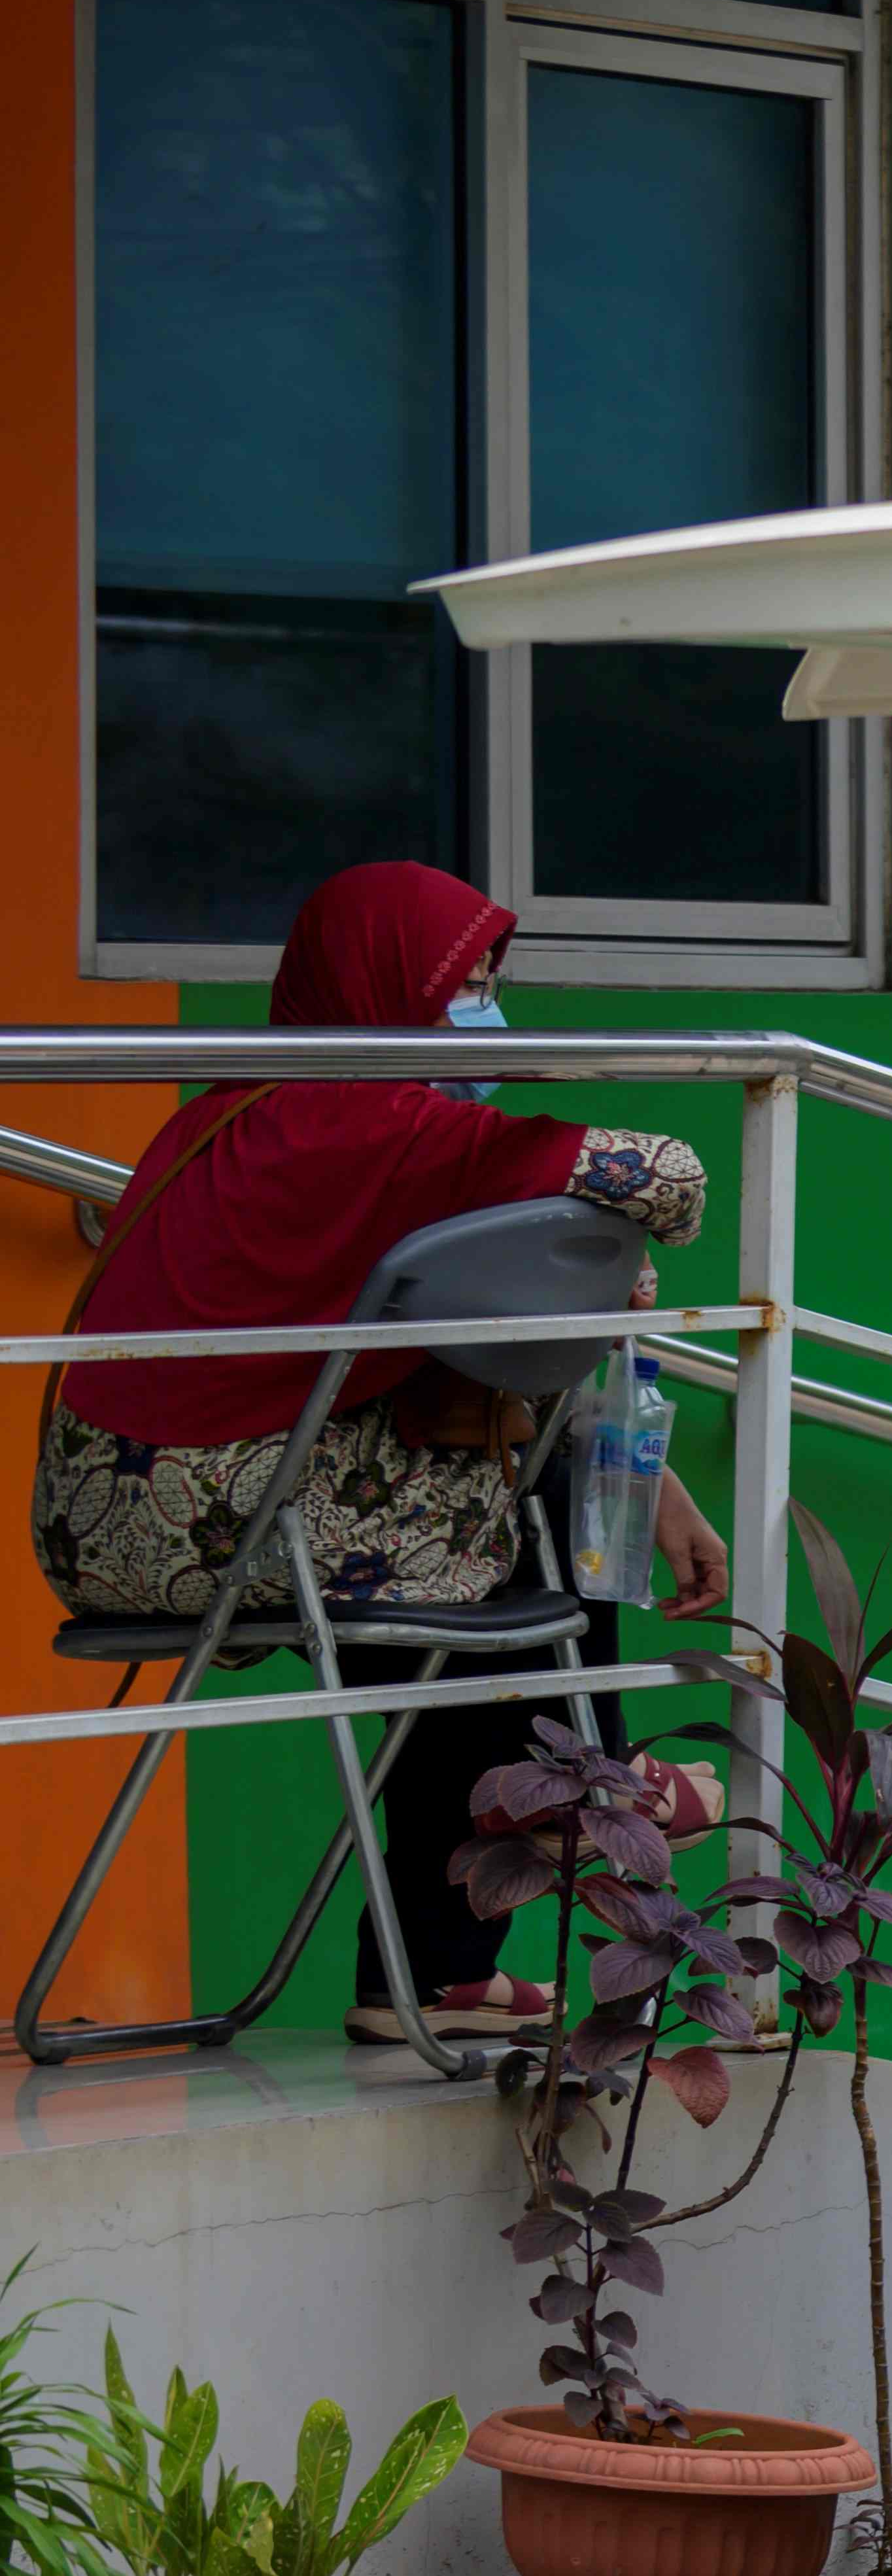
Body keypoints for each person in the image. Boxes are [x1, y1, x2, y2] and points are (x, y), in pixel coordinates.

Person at [30, 861, 729, 2040]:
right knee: (528, 1515)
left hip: (109, 1507)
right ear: (386, 985)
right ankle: (599, 1788)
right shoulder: (380, 1122)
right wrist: (555, 1109)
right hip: (217, 1509)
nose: (488, 1016)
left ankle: (450, 1965)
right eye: (465, 987)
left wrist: (656, 1480)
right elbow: (673, 1179)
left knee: (469, 1554)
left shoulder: (238, 1107)